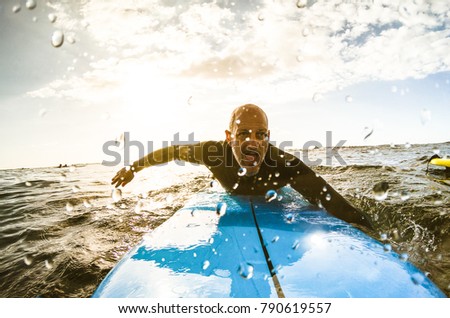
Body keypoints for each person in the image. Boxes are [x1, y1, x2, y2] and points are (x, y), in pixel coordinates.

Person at [111, 104, 373, 229]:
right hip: (230, 193)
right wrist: (134, 168)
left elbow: (335, 203)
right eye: (243, 133)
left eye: (260, 135)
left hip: (275, 199)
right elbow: (170, 152)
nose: (253, 142)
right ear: (229, 137)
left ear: (268, 137)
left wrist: (372, 230)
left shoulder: (285, 165)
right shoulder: (213, 153)